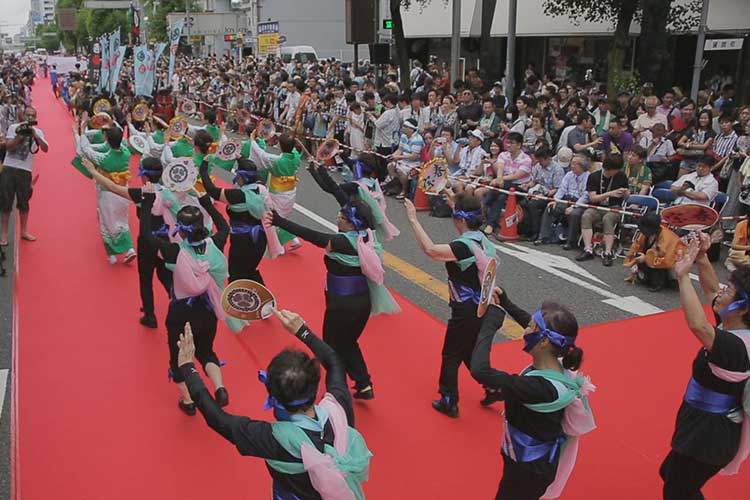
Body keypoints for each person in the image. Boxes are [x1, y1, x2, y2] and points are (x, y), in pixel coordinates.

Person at [176, 309, 372, 498]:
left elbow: (216, 418)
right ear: (316, 384)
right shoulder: (339, 409)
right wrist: (302, 330)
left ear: (273, 398)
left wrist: (188, 367)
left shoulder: (274, 439)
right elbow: (334, 362)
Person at [264, 197, 400, 401]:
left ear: (352, 222)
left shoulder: (342, 241)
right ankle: (363, 383)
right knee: (348, 342)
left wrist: (279, 222)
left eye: (342, 216)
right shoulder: (367, 236)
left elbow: (310, 235)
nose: (338, 217)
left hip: (342, 305)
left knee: (330, 347)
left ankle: (338, 389)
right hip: (362, 302)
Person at [470, 288, 594, 500]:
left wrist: (490, 323)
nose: (526, 329)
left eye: (530, 327)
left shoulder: (537, 387)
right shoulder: (559, 362)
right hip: (530, 463)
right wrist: (506, 303)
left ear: (544, 341)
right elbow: (537, 329)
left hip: (527, 470)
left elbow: (480, 370)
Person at [139, 182, 244, 414]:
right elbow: (224, 227)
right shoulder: (216, 243)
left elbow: (146, 236)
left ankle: (188, 401)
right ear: (202, 226)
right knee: (206, 350)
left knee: (179, 357)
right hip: (208, 309)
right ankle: (220, 387)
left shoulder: (174, 251)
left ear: (181, 229)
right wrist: (207, 202)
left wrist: (147, 202)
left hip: (181, 312)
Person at [664, 233, 750, 499]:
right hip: (700, 421)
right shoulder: (732, 326)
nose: (722, 289)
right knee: (672, 477)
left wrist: (682, 276)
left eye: (730, 289)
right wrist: (701, 257)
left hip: (712, 433)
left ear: (743, 306)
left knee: (678, 489)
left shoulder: (737, 347)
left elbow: (698, 325)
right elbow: (712, 291)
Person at [403, 193, 498, 417]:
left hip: (465, 308)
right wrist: (453, 200)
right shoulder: (482, 239)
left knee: (451, 355)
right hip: (481, 305)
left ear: (461, 219)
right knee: (469, 353)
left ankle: (449, 399)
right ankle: (494, 387)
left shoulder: (463, 247)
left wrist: (413, 219)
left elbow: (432, 250)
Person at [81, 156, 174, 328]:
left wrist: (93, 171)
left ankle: (149, 315)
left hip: (147, 241)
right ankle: (176, 300)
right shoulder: (169, 193)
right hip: (165, 241)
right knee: (165, 274)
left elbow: (111, 186)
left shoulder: (142, 194)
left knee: (145, 279)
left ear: (145, 176)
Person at [200, 157, 282, 283]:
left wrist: (204, 167)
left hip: (242, 242)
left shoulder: (237, 196)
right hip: (259, 239)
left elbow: (211, 190)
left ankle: (242, 301)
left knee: (236, 276)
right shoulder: (261, 189)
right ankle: (262, 299)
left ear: (241, 177)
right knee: (249, 271)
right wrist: (240, 158)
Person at [73, 120, 137, 264]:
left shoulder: (104, 158)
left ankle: (112, 255)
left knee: (106, 221)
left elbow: (85, 149)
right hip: (123, 191)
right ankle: (129, 249)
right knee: (122, 220)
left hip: (107, 192)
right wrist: (112, 122)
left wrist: (81, 131)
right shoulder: (126, 152)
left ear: (107, 139)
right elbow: (117, 135)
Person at [0, 106, 48, 246]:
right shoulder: (14, 127)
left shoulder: (37, 131)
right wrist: (19, 137)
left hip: (25, 170)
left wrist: (35, 135)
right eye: (27, 115)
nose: (30, 118)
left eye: (32, 115)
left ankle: (24, 231)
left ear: (36, 117)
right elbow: (8, 146)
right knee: (6, 202)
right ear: (23, 115)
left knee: (24, 202)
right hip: (9, 168)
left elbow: (45, 149)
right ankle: (3, 234)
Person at [248, 132, 304, 250]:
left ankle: (278, 243)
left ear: (280, 146)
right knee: (282, 216)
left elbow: (261, 154)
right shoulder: (296, 156)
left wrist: (252, 140)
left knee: (274, 216)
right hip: (290, 190)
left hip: (277, 192)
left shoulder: (276, 160)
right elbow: (295, 148)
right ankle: (293, 239)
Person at [577, 154, 630, 266]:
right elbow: (592, 197)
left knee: (608, 218)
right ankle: (588, 249)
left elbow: (627, 197)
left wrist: (625, 193)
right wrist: (609, 194)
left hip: (614, 207)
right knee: (586, 215)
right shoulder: (594, 176)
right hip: (597, 206)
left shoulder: (621, 176)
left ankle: (608, 252)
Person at [534, 154, 590, 247]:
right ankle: (543, 237)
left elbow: (585, 196)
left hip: (580, 203)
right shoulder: (569, 174)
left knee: (574, 214)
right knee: (550, 207)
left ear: (582, 166)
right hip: (566, 199)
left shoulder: (588, 177)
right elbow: (562, 189)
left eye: (575, 164)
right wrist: (556, 200)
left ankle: (571, 242)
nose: (572, 166)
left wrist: (574, 206)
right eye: (572, 163)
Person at [623, 212, 684, 292]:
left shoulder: (666, 238)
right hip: (655, 259)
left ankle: (664, 281)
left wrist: (646, 258)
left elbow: (666, 260)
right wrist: (633, 265)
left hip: (672, 262)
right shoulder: (645, 234)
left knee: (651, 257)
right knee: (644, 257)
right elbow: (636, 247)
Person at [386, 118, 424, 201]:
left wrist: (398, 157)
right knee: (390, 166)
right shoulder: (403, 136)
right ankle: (398, 185)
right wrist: (392, 156)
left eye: (405, 126)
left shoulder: (418, 139)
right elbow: (400, 149)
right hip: (403, 160)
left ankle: (404, 190)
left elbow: (414, 156)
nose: (402, 128)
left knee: (400, 171)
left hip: (414, 163)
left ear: (411, 129)